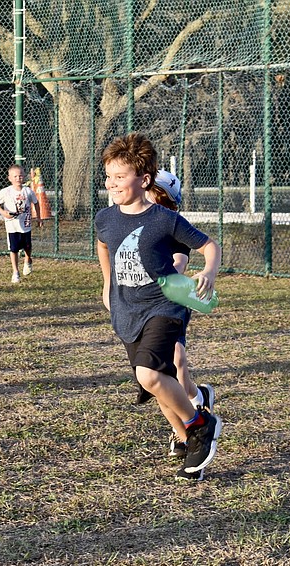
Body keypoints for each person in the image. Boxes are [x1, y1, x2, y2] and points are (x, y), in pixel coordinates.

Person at [95, 132, 222, 480]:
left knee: (150, 373)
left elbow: (209, 245)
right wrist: (108, 283)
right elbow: (104, 244)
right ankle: (189, 443)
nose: (111, 184)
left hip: (166, 306)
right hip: (127, 310)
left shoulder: (164, 220)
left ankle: (201, 422)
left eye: (120, 177)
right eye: (108, 176)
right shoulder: (105, 218)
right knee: (157, 381)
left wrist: (208, 271)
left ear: (144, 180)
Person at [147, 170, 215, 459]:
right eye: (153, 194)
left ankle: (195, 405)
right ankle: (185, 427)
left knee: (177, 366)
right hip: (142, 308)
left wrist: (160, 275)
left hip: (169, 305)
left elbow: (179, 263)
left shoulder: (174, 228)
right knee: (160, 377)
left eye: (164, 199)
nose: (155, 201)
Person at [0, 164, 41, 283]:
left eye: (20, 176)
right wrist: (3, 212)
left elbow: (36, 203)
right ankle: (15, 272)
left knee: (27, 247)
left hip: (26, 225)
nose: (18, 178)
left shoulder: (28, 191)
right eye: (15, 176)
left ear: (24, 177)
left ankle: (28, 260)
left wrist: (39, 218)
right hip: (12, 226)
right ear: (10, 178)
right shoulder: (6, 192)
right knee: (13, 249)